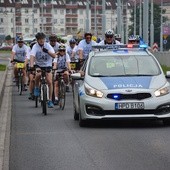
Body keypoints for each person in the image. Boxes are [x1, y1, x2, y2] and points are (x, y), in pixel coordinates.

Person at [30, 32, 56, 108]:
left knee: (50, 81)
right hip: (39, 65)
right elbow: (32, 56)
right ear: (37, 40)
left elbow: (54, 55)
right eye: (39, 39)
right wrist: (31, 66)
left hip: (48, 65)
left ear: (44, 39)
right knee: (38, 74)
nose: (41, 40)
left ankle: (50, 100)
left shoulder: (48, 46)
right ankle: (37, 88)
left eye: (42, 39)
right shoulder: (35, 46)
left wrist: (47, 51)